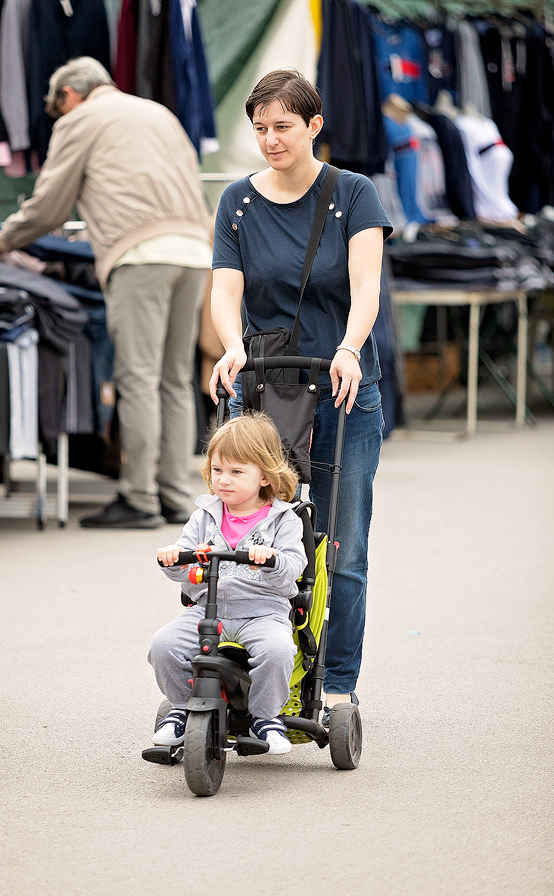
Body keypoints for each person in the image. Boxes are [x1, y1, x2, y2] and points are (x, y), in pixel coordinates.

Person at [208, 69, 392, 722]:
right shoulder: (236, 200)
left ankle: (335, 684)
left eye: (283, 127)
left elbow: (367, 286)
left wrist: (349, 345)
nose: (270, 140)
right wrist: (230, 344)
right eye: (259, 129)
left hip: (344, 388)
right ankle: (242, 673)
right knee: (245, 534)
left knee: (341, 547)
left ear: (314, 126)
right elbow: (225, 291)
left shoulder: (353, 194)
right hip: (264, 388)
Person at [0, 56, 211, 529]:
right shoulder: (157, 112)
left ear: (68, 95)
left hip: (139, 254)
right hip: (194, 250)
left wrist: (1, 239)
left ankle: (139, 498)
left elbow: (49, 204)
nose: (58, 118)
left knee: (138, 377)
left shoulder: (81, 119)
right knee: (175, 379)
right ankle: (177, 496)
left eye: (55, 109)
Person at [149, 413, 307, 754]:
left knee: (278, 651)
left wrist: (273, 560)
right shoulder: (204, 516)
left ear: (265, 476)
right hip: (208, 611)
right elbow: (186, 570)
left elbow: (293, 569)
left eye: (236, 472)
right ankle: (180, 707)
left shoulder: (284, 520)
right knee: (163, 646)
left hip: (262, 612)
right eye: (218, 470)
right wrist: (173, 559)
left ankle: (265, 717)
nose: (224, 480)